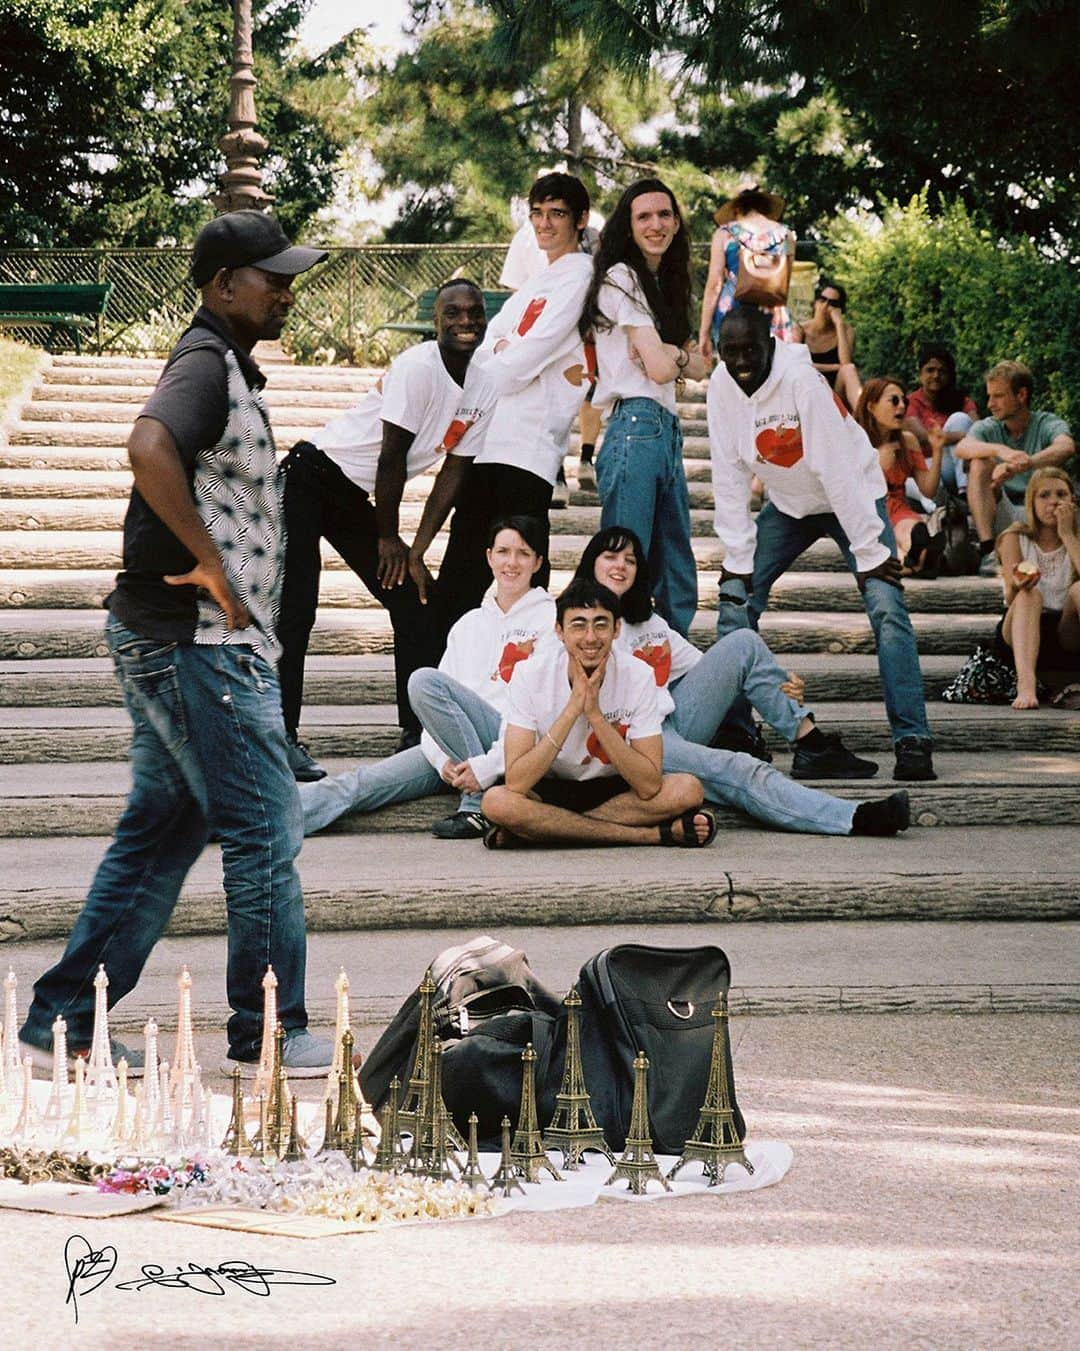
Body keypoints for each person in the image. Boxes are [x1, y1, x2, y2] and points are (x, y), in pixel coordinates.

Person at [19, 210, 333, 1077]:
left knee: (166, 826)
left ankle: (65, 1019)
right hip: (198, 641)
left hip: (173, 636)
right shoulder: (204, 363)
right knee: (266, 829)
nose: (286, 289)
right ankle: (268, 1030)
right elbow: (148, 443)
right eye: (271, 276)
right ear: (223, 285)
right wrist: (211, 563)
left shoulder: (225, 363)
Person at [276, 279, 498, 778]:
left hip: (354, 496)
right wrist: (387, 537)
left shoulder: (486, 385)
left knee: (415, 599)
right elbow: (391, 457)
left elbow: (454, 473)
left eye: (475, 312)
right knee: (296, 608)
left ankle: (417, 734)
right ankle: (281, 738)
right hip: (311, 478)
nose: (466, 322)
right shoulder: (417, 368)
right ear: (436, 322)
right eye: (453, 313)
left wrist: (415, 552)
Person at [708, 306, 936, 782]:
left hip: (850, 492)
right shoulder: (720, 389)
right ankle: (737, 732)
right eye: (731, 353)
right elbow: (728, 475)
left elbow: (837, 470)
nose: (742, 361)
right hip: (791, 504)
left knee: (886, 605)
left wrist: (872, 555)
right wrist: (737, 559)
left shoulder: (802, 382)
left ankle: (912, 739)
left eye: (751, 349)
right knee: (735, 601)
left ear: (770, 342)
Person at [573, 526, 911, 833]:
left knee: (743, 643)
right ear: (592, 563)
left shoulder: (648, 624)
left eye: (630, 559)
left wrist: (785, 688)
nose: (621, 565)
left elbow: (720, 670)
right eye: (610, 556)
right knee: (739, 767)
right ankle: (854, 817)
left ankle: (810, 743)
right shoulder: (575, 623)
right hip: (631, 740)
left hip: (671, 719)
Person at [298, 517, 555, 839]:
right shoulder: (469, 624)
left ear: (538, 562)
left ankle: (476, 805)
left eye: (523, 553)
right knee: (361, 783)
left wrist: (485, 768)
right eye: (503, 551)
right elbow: (438, 710)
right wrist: (442, 755)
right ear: (489, 557)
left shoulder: (551, 621)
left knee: (423, 681)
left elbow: (544, 714)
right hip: (455, 750)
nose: (511, 562)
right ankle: (256, 822)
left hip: (513, 749)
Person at [437, 172, 594, 625]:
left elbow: (529, 354)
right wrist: (503, 356)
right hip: (488, 443)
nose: (544, 224)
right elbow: (491, 344)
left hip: (529, 451)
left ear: (580, 219)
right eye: (538, 214)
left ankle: (531, 689)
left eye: (557, 214)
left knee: (525, 587)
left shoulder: (580, 276)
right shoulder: (536, 282)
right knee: (460, 579)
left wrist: (504, 358)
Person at [481, 578, 715, 848]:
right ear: (559, 631)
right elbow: (518, 781)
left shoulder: (638, 674)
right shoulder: (529, 674)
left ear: (617, 629)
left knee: (688, 789)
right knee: (497, 802)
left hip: (612, 788)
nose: (590, 638)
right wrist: (572, 710)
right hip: (551, 784)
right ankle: (650, 835)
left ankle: (542, 829)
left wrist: (595, 715)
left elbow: (649, 785)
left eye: (601, 624)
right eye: (578, 625)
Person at [582, 177, 709, 638]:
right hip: (634, 427)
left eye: (663, 214)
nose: (655, 224)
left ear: (676, 222)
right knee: (620, 566)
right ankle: (609, 682)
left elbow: (698, 366)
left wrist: (672, 355)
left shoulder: (666, 283)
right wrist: (675, 356)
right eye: (643, 216)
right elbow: (663, 367)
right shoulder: (621, 276)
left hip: (665, 430)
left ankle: (672, 674)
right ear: (628, 226)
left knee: (676, 573)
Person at [955, 360, 1075, 576]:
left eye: (998, 396)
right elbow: (962, 448)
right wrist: (1001, 451)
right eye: (989, 396)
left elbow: (1066, 447)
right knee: (980, 462)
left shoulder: (1046, 423)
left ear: (1021, 395)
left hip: (1043, 515)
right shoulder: (989, 426)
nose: (990, 403)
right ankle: (987, 549)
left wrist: (1027, 463)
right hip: (1005, 512)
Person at [992, 468, 1080, 709]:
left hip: (1067, 631)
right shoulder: (1014, 536)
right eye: (1044, 495)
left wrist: (1067, 535)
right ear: (1031, 501)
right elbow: (1010, 597)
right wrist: (1018, 587)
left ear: (1072, 500)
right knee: (1029, 594)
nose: (1053, 501)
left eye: (1061, 494)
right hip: (1021, 627)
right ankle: (1026, 684)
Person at [855, 377, 944, 574]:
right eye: (894, 401)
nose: (902, 406)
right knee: (888, 536)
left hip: (899, 509)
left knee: (909, 530)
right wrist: (877, 467)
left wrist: (937, 451)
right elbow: (847, 490)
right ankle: (918, 561)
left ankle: (915, 558)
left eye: (905, 401)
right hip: (867, 512)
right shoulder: (854, 441)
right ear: (871, 406)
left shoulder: (908, 441)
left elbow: (928, 490)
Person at [698, 185, 796, 358]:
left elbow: (715, 283)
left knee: (735, 367)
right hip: (772, 310)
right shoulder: (785, 234)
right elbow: (786, 280)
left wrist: (703, 331)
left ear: (737, 209)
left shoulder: (724, 234)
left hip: (733, 310)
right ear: (765, 207)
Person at [904, 343, 979, 496]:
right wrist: (960, 437)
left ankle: (966, 491)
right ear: (920, 374)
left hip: (958, 465)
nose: (936, 376)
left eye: (942, 371)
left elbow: (978, 430)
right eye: (930, 370)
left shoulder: (961, 401)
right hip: (929, 464)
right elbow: (923, 437)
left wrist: (961, 438)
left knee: (959, 419)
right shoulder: (910, 402)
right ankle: (962, 493)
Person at [795, 279, 861, 411]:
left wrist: (839, 325)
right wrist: (833, 367)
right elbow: (796, 364)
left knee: (849, 369)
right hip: (807, 387)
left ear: (840, 309)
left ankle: (864, 417)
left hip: (835, 391)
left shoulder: (845, 330)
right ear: (815, 303)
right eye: (822, 299)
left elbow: (846, 363)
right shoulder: (800, 329)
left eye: (833, 303)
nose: (825, 306)